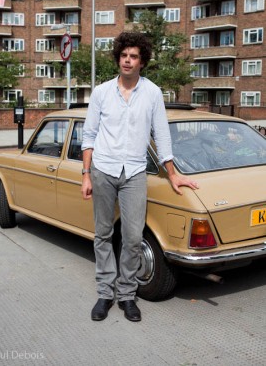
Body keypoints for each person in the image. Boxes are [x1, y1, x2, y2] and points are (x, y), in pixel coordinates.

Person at [81, 32, 198, 322]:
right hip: (103, 169)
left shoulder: (153, 93)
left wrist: (172, 174)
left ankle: (127, 295)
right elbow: (89, 136)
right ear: (118, 58)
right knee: (103, 234)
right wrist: (86, 174)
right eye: (124, 56)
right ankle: (105, 293)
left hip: (134, 172)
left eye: (133, 57)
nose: (128, 61)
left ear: (141, 61)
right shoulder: (101, 92)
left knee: (133, 238)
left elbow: (162, 135)